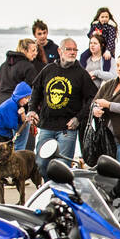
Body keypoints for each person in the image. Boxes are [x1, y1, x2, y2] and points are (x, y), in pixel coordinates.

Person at [26, 38, 95, 174]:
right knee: (41, 163)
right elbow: (36, 90)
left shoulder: (81, 73)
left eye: (75, 50)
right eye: (68, 49)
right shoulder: (48, 69)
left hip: (67, 128)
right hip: (46, 126)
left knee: (63, 167)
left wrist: (78, 118)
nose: (72, 53)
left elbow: (92, 98)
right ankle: (50, 190)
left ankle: (60, 193)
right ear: (60, 51)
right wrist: (32, 110)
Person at [0, 38, 38, 115]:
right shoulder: (28, 67)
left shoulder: (4, 65)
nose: (36, 53)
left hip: (0, 107)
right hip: (17, 110)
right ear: (24, 50)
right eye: (33, 50)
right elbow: (33, 91)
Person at [0, 81, 32, 146]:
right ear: (19, 96)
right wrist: (20, 116)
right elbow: (12, 125)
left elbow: (23, 122)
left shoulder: (18, 104)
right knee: (2, 150)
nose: (27, 101)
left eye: (28, 99)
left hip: (4, 132)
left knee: (8, 151)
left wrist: (23, 114)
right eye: (25, 98)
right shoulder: (11, 105)